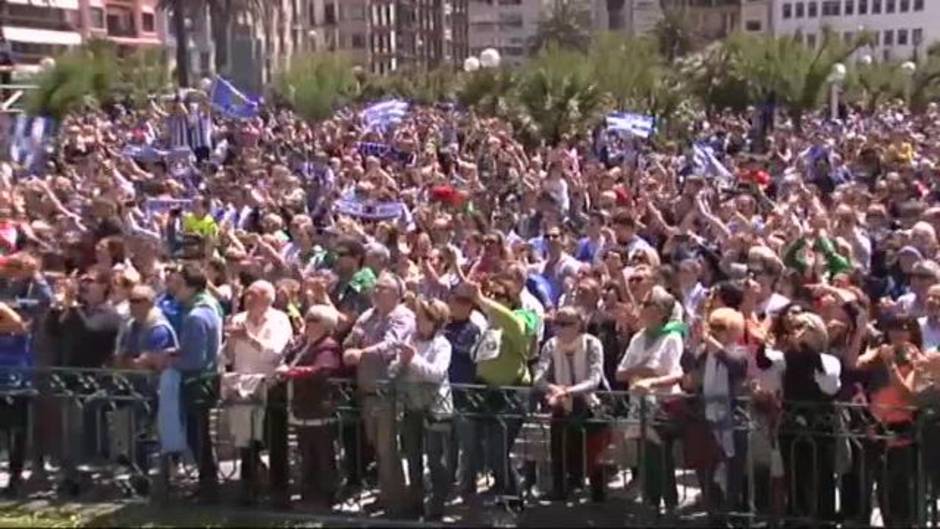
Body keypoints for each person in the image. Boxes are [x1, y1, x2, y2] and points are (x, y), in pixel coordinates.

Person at [342, 272, 414, 515]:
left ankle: (396, 501)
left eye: (382, 288)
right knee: (377, 446)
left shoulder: (403, 316)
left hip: (389, 391)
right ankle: (386, 494)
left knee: (388, 448)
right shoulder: (367, 315)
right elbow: (352, 338)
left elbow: (392, 344)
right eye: (376, 288)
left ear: (396, 293)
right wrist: (352, 345)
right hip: (367, 390)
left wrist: (362, 353)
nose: (376, 291)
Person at [222, 279, 292, 506]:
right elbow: (225, 358)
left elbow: (274, 354)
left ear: (267, 297)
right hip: (243, 388)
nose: (248, 298)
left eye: (253, 294)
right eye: (247, 294)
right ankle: (249, 488)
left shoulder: (280, 319)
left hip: (271, 388)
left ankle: (279, 491)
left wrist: (249, 339)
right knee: (246, 441)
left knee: (275, 441)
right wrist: (231, 341)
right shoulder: (238, 319)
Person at [532, 306, 608, 502]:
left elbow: (594, 379)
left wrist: (568, 391)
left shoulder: (592, 344)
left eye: (567, 324)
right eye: (558, 324)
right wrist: (554, 389)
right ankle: (560, 489)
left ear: (579, 325)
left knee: (593, 450)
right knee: (558, 445)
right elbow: (539, 377)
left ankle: (597, 493)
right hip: (561, 402)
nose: (561, 328)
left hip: (589, 402)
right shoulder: (550, 345)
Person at [391, 297, 453, 520]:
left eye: (422, 318)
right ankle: (415, 502)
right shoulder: (412, 340)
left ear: (434, 321)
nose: (417, 322)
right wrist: (400, 363)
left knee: (435, 459)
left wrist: (414, 360)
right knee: (413, 456)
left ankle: (437, 504)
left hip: (435, 408)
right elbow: (396, 368)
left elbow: (437, 373)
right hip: (411, 405)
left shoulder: (442, 345)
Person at [277, 305, 342, 511]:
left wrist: (293, 372)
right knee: (306, 452)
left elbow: (322, 370)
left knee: (322, 452)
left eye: (315, 320)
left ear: (326, 325)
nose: (309, 324)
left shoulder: (328, 346)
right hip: (302, 406)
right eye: (308, 319)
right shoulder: (303, 345)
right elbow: (287, 359)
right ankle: (308, 494)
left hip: (319, 406)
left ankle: (325, 496)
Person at [169, 264, 223, 502]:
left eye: (179, 284)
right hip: (208, 378)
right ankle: (207, 482)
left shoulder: (196, 315)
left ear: (191, 287)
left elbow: (195, 359)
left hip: (198, 382)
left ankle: (208, 485)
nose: (174, 289)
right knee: (200, 435)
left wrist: (167, 362)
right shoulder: (211, 306)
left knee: (198, 436)